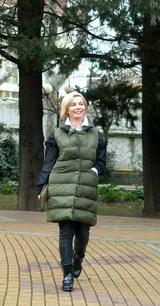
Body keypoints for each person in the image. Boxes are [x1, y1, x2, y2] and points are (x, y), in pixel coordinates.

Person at [37, 91, 107, 293]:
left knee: (83, 233)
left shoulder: (96, 135)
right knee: (65, 233)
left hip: (86, 187)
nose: (78, 107)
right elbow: (49, 163)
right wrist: (42, 186)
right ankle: (67, 274)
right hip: (61, 186)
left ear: (85, 107)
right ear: (66, 109)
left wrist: (93, 172)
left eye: (81, 103)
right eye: (73, 104)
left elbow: (101, 162)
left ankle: (78, 259)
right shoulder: (57, 134)